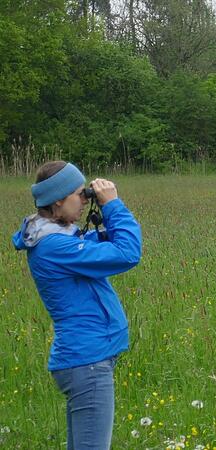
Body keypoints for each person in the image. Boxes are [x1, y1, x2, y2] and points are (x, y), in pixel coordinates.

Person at [11, 161, 142, 450]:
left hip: (86, 359)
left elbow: (109, 243)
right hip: (87, 361)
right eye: (78, 194)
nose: (84, 200)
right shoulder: (54, 246)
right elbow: (128, 253)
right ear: (58, 200)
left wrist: (107, 214)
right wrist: (114, 206)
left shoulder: (60, 238)